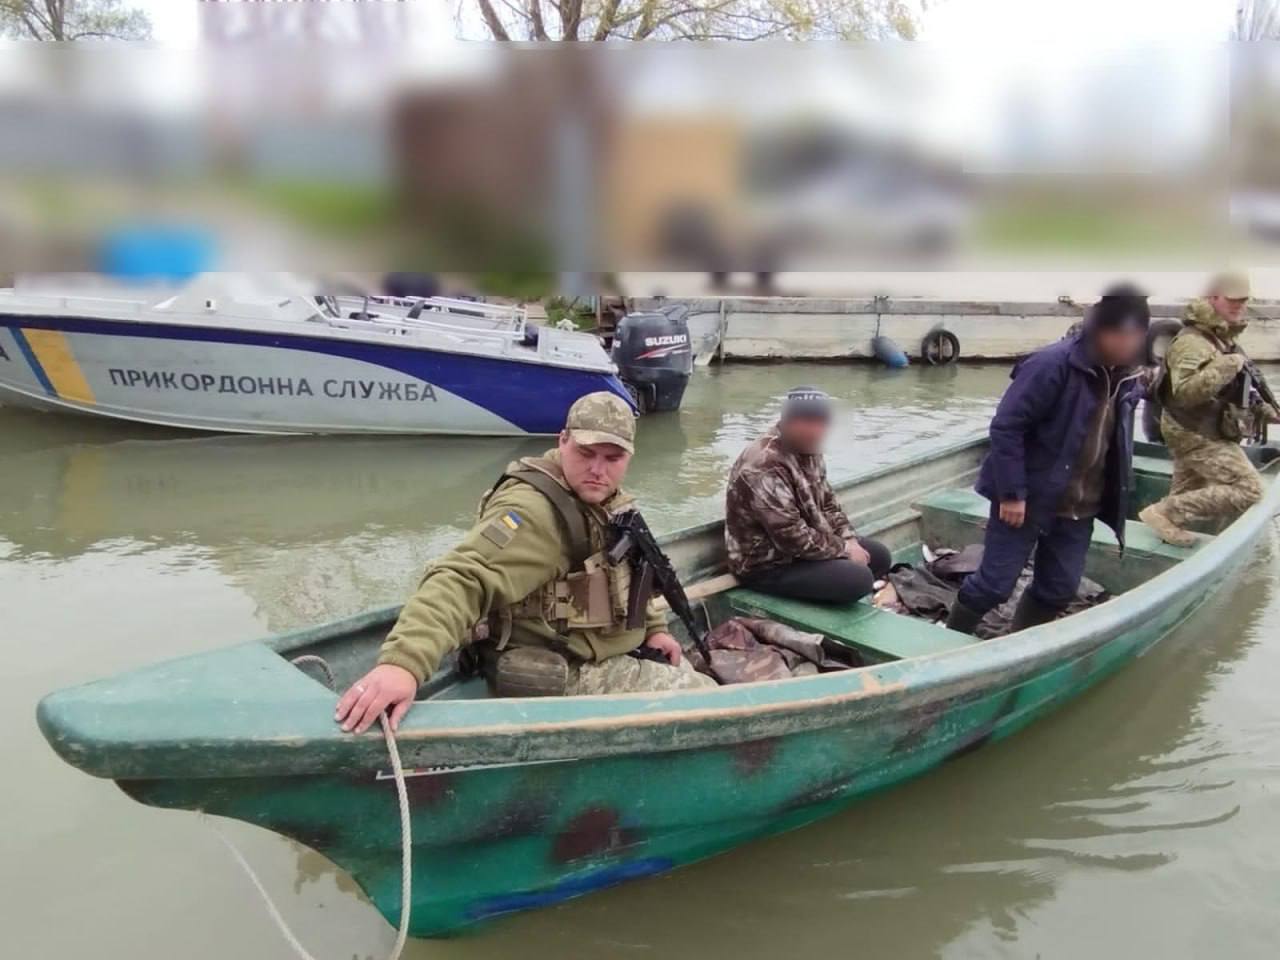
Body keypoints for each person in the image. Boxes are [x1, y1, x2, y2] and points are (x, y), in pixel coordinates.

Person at [335, 391, 715, 734]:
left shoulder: (608, 500)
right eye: (586, 453)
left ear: (629, 457)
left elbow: (633, 572)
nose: (598, 469)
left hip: (608, 645)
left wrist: (654, 628)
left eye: (612, 458)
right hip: (563, 666)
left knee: (690, 673)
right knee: (707, 701)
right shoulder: (533, 513)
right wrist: (403, 664)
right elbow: (461, 578)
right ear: (562, 441)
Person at [946, 284, 1151, 635]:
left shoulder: (1132, 375)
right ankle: (944, 640)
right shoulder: (1052, 365)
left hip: (1079, 506)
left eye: (1135, 335)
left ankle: (1018, 642)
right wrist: (1012, 493)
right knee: (993, 586)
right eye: (1118, 334)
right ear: (1100, 329)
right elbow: (1007, 427)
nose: (1126, 343)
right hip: (1028, 498)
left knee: (1059, 589)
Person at [1139, 271, 1277, 546]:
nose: (1239, 305)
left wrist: (1266, 412)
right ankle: (1162, 512)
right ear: (1212, 298)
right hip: (1193, 429)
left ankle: (1167, 525)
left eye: (1243, 300)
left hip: (1200, 426)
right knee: (1250, 490)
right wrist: (1226, 366)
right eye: (1232, 300)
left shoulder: (1222, 338)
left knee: (1188, 489)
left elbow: (1237, 392)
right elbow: (1185, 394)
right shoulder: (1192, 342)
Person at [724, 386, 893, 605]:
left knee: (879, 556)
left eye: (820, 422)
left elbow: (828, 504)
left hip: (803, 551)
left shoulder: (809, 448)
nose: (814, 430)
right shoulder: (763, 465)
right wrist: (843, 549)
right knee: (859, 580)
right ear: (787, 421)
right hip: (767, 564)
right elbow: (791, 538)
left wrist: (848, 538)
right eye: (805, 422)